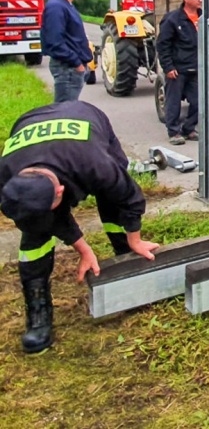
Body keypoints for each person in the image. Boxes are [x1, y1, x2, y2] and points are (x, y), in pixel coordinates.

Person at [0, 101, 159, 354]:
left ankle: (127, 264)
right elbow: (47, 218)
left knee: (112, 199)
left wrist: (135, 239)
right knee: (35, 233)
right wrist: (83, 248)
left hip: (87, 119)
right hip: (32, 122)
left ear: (61, 190)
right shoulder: (7, 172)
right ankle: (38, 314)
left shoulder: (96, 164)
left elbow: (130, 197)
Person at [156, 0, 202, 145]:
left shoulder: (203, 17)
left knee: (198, 101)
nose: (200, 0)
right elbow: (163, 44)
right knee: (173, 102)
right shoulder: (173, 19)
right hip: (178, 69)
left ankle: (189, 129)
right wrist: (168, 67)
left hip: (196, 68)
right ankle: (174, 132)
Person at [41, 0, 92, 103]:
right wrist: (77, 64)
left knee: (69, 109)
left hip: (71, 69)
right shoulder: (56, 7)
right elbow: (54, 41)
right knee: (64, 111)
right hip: (67, 69)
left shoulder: (65, 5)